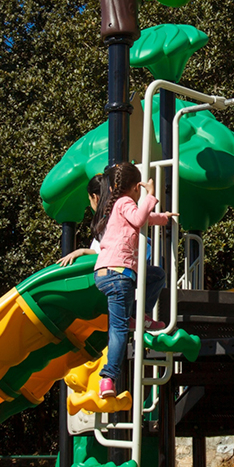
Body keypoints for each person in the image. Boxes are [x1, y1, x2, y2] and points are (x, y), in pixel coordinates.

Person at [93, 162, 176, 398]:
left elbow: (143, 219)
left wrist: (164, 218)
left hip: (106, 273)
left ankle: (139, 316)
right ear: (136, 187)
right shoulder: (126, 202)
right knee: (118, 330)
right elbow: (140, 218)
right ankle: (108, 378)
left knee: (156, 275)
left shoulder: (116, 207)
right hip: (119, 275)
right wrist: (151, 195)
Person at [56, 174, 105, 266]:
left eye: (89, 199)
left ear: (95, 197)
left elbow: (104, 253)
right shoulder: (111, 217)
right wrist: (82, 251)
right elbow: (99, 251)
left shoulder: (108, 221)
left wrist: (81, 251)